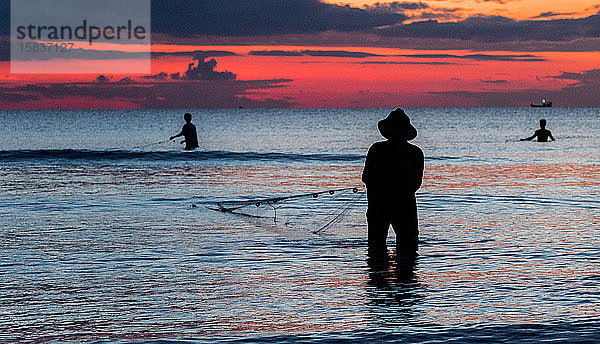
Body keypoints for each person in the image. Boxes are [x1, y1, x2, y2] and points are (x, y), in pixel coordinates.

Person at [362, 108, 424, 259]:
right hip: (404, 206)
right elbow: (415, 184)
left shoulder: (377, 149)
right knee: (408, 251)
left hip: (379, 205)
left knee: (376, 250)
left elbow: (366, 177)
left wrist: (383, 189)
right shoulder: (415, 152)